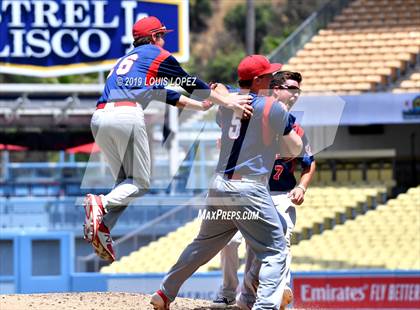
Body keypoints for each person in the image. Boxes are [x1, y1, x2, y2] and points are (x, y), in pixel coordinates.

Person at [83, 16, 253, 262]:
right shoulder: (156, 54)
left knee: (126, 182)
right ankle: (100, 202)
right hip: (125, 115)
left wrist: (201, 106)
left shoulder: (127, 63)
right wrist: (227, 101)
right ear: (153, 37)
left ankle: (102, 226)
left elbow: (164, 94)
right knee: (140, 183)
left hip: (100, 117)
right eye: (162, 35)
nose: (164, 41)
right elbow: (188, 82)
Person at [150, 55, 303, 310]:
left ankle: (164, 293)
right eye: (267, 76)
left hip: (221, 185)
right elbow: (296, 148)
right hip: (249, 188)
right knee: (276, 250)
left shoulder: (227, 103)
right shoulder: (271, 107)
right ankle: (264, 307)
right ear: (256, 81)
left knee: (202, 245)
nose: (272, 80)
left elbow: (215, 88)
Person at [211, 71, 316, 310]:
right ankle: (228, 291)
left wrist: (302, 186)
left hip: (280, 194)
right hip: (246, 189)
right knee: (229, 243)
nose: (295, 93)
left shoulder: (294, 128)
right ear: (275, 88)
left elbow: (309, 162)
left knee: (279, 240)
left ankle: (275, 291)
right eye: (290, 87)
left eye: (298, 89)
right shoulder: (252, 112)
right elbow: (218, 87)